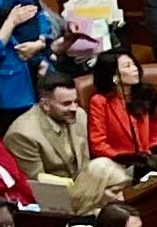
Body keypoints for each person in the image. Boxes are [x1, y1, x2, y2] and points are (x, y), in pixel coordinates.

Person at [7, 73, 133, 213]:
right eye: (66, 104)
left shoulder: (79, 115)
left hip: (87, 193)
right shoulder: (22, 134)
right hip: (56, 204)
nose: (74, 108)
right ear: (45, 104)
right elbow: (37, 185)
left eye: (75, 101)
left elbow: (84, 163)